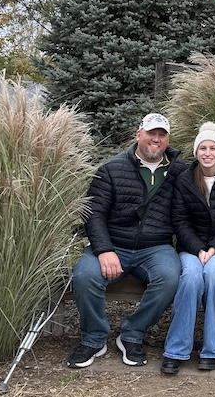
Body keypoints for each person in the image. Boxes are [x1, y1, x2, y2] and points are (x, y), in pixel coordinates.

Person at [68, 113, 187, 369]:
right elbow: (94, 213)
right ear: (138, 135)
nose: (156, 139)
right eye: (151, 133)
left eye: (161, 135)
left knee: (169, 278)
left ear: (167, 140)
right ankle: (94, 338)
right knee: (85, 276)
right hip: (114, 244)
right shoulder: (111, 169)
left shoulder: (180, 172)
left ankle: (132, 334)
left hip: (156, 248)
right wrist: (104, 249)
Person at [161, 121, 215, 374]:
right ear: (196, 152)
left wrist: (213, 249)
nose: (207, 153)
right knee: (190, 278)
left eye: (212, 148)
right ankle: (176, 350)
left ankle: (213, 349)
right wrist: (198, 248)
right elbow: (179, 220)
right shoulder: (185, 180)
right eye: (202, 148)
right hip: (191, 247)